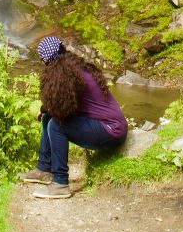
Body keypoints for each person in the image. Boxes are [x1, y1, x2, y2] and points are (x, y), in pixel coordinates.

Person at [20, 36, 128, 199]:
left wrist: (47, 109)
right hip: (109, 127)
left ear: (47, 60)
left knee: (56, 126)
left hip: (110, 130)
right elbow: (63, 103)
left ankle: (60, 183)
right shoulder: (72, 66)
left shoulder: (66, 72)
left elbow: (62, 106)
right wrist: (45, 109)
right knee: (49, 118)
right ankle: (43, 169)